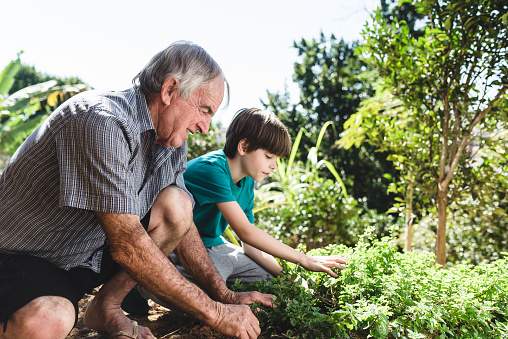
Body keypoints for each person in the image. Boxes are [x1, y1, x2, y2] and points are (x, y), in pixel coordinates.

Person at [0, 41, 274, 339]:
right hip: (22, 254)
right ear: (170, 90)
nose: (206, 127)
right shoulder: (102, 121)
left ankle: (107, 307)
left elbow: (183, 226)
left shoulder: (170, 144)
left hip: (80, 256)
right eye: (204, 110)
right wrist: (215, 312)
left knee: (179, 204)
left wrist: (224, 295)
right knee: (47, 320)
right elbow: (128, 243)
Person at [137, 108, 348, 310]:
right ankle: (140, 288)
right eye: (269, 156)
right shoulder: (212, 169)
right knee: (209, 295)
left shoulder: (247, 182)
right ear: (244, 146)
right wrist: (304, 259)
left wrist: (288, 278)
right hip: (181, 251)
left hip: (217, 248)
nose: (274, 166)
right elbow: (244, 231)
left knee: (271, 283)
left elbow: (250, 245)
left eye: (277, 159)